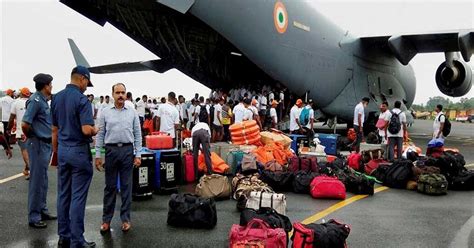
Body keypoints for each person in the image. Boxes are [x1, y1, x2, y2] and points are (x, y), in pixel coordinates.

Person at [51, 66, 97, 248]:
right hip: (78, 151)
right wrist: (95, 129)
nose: (87, 87)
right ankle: (77, 240)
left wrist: (56, 152)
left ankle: (64, 237)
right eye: (87, 83)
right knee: (77, 197)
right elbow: (86, 129)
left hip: (62, 150)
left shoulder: (56, 98)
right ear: (83, 79)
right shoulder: (82, 100)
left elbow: (54, 130)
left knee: (63, 194)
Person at [95, 83, 142, 234]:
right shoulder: (105, 112)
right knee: (110, 188)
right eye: (118, 93)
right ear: (112, 94)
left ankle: (126, 219)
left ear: (126, 94)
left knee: (127, 187)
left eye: (123, 92)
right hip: (111, 151)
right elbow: (100, 135)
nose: (120, 95)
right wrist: (97, 155)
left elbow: (138, 134)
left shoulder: (132, 112)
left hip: (128, 151)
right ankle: (106, 220)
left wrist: (138, 154)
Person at [21, 74, 56, 229]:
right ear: (46, 86)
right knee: (36, 181)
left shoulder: (43, 101)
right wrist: (32, 137)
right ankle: (34, 216)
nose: (52, 87)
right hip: (38, 144)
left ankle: (42, 209)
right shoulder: (35, 101)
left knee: (43, 180)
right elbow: (25, 124)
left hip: (45, 144)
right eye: (51, 84)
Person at [8, 87, 31, 179]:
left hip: (21, 130)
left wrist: (8, 128)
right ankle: (26, 169)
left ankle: (31, 168)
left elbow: (12, 117)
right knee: (30, 150)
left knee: (24, 150)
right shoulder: (32, 102)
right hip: (32, 129)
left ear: (21, 94)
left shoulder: (16, 102)